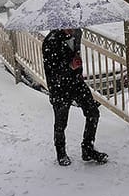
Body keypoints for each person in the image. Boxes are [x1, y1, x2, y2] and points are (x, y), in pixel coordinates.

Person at [42, 28, 108, 166]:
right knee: (61, 123)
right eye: (68, 26)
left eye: (74, 25)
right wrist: (69, 66)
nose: (72, 29)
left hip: (77, 82)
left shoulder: (77, 32)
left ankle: (87, 149)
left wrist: (76, 66)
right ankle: (61, 153)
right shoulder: (50, 41)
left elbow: (74, 52)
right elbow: (51, 70)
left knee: (93, 113)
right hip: (59, 87)